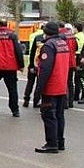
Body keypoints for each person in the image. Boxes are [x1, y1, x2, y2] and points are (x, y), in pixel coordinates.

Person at [34, 21, 70, 153]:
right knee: (60, 115)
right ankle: (60, 142)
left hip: (51, 86)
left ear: (46, 32)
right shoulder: (63, 43)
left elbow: (45, 70)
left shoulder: (48, 46)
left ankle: (51, 143)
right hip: (61, 85)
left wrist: (38, 91)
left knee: (49, 115)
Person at [0, 19, 24, 116]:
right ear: (7, 25)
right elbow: (18, 51)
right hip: (10, 68)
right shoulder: (12, 36)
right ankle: (15, 110)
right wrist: (21, 65)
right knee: (12, 89)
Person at [23, 23, 45, 108]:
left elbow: (32, 52)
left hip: (33, 63)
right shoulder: (47, 39)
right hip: (40, 65)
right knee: (39, 84)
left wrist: (31, 65)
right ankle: (36, 101)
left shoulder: (35, 36)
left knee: (30, 82)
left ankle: (26, 99)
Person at [60, 22, 78, 108]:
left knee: (64, 82)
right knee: (70, 82)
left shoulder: (61, 36)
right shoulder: (72, 36)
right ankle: (71, 102)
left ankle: (65, 102)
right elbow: (76, 48)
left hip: (65, 62)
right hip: (72, 61)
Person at [73, 22, 84, 104]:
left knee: (81, 77)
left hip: (78, 57)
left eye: (73, 28)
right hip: (82, 56)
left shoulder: (76, 37)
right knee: (78, 77)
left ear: (76, 28)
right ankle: (77, 95)